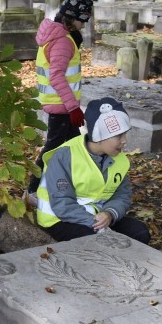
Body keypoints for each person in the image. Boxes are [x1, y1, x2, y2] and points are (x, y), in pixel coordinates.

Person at [35, 97, 150, 244]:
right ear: (99, 135)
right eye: (118, 135)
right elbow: (62, 203)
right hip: (59, 219)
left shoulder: (120, 160)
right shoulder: (65, 155)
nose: (124, 140)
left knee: (139, 233)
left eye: (125, 134)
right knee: (95, 241)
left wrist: (109, 214)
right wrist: (96, 223)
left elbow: (122, 194)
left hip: (97, 217)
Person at [26, 0, 94, 204]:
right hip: (62, 107)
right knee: (52, 150)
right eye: (83, 20)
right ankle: (32, 192)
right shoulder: (63, 41)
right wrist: (73, 107)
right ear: (72, 18)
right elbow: (56, 76)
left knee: (76, 148)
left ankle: (73, 188)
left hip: (62, 105)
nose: (84, 25)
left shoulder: (57, 36)